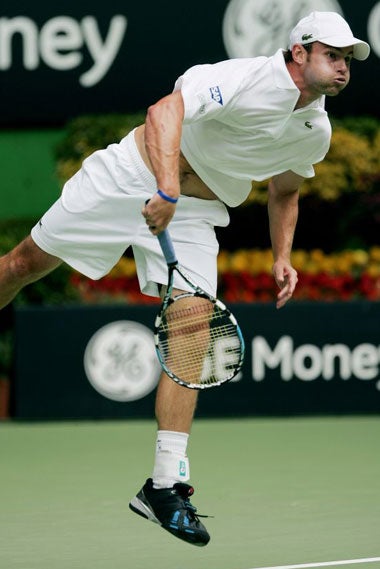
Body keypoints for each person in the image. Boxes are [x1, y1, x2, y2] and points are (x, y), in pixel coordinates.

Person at [0, 11, 370, 546]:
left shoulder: (315, 130)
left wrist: (281, 255)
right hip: (133, 175)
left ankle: (165, 483)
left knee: (193, 332)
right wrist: (168, 188)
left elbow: (285, 190)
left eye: (347, 61)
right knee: (22, 265)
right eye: (332, 56)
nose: (342, 68)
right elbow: (163, 111)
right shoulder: (244, 77)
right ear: (299, 53)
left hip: (195, 214)